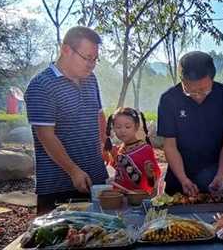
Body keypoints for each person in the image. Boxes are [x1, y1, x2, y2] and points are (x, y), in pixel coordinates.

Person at [24, 26, 108, 216]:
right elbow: (46, 136)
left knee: (102, 237)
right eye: (87, 58)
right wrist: (73, 171)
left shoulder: (90, 79)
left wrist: (103, 144)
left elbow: (98, 114)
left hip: (95, 178)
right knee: (59, 240)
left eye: (95, 59)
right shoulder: (42, 86)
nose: (91, 64)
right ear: (66, 49)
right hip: (58, 185)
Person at [157, 51, 223, 196]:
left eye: (203, 90)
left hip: (214, 178)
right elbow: (170, 145)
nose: (198, 96)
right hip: (178, 178)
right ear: (182, 80)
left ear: (212, 79)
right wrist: (183, 179)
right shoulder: (169, 99)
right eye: (190, 91)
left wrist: (220, 174)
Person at [103, 107, 160, 195]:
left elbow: (155, 177)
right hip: (119, 197)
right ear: (113, 128)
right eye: (118, 127)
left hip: (138, 198)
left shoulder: (145, 149)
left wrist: (150, 175)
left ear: (136, 127)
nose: (122, 131)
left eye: (127, 127)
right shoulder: (120, 149)